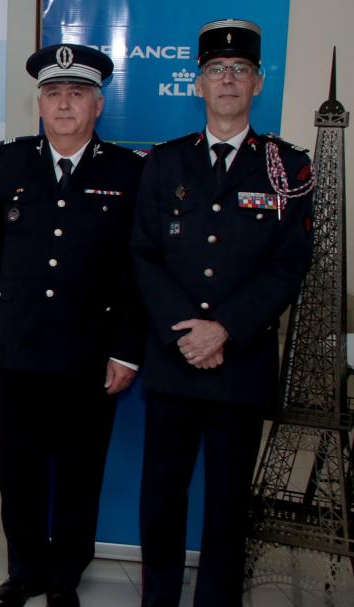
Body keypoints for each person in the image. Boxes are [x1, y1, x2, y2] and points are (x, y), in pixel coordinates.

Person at [133, 19, 313, 607]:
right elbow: (144, 252)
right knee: (162, 493)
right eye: (216, 70)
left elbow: (290, 263)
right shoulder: (163, 163)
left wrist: (225, 329)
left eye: (240, 71)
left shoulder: (288, 167)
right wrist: (187, 331)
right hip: (175, 357)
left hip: (241, 359)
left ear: (258, 83)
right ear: (198, 85)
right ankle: (158, 598)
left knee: (229, 499)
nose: (228, 80)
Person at [0, 45, 145, 607]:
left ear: (97, 104)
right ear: (39, 103)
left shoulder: (128, 169)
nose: (63, 104)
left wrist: (126, 350)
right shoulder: (13, 160)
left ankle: (65, 575)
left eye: (75, 94)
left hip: (90, 351)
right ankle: (24, 571)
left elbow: (137, 270)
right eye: (53, 93)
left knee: (79, 469)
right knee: (19, 468)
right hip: (19, 344)